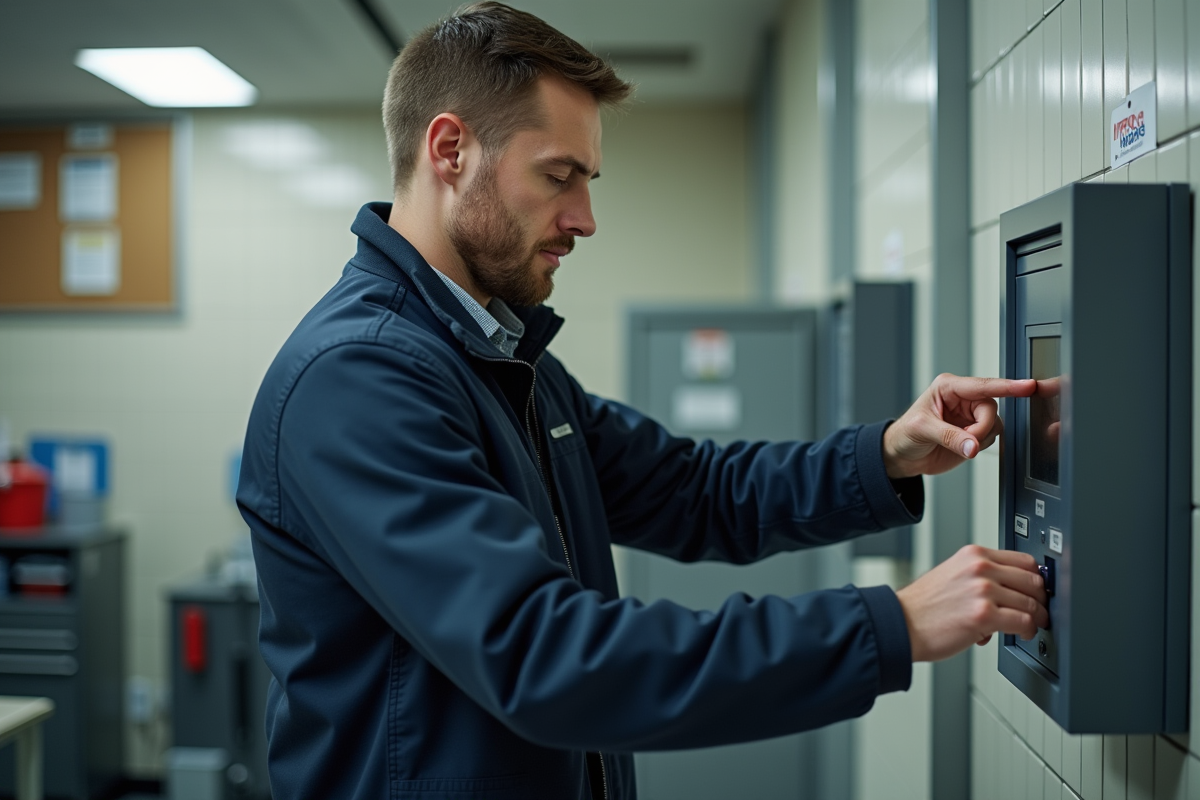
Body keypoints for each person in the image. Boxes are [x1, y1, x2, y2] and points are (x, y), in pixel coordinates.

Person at [236, 4, 1047, 798]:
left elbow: (693, 491)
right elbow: (546, 659)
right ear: (450, 149)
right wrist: (890, 628)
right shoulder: (360, 378)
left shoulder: (498, 357)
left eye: (587, 182)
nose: (584, 220)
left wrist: (884, 455)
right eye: (559, 177)